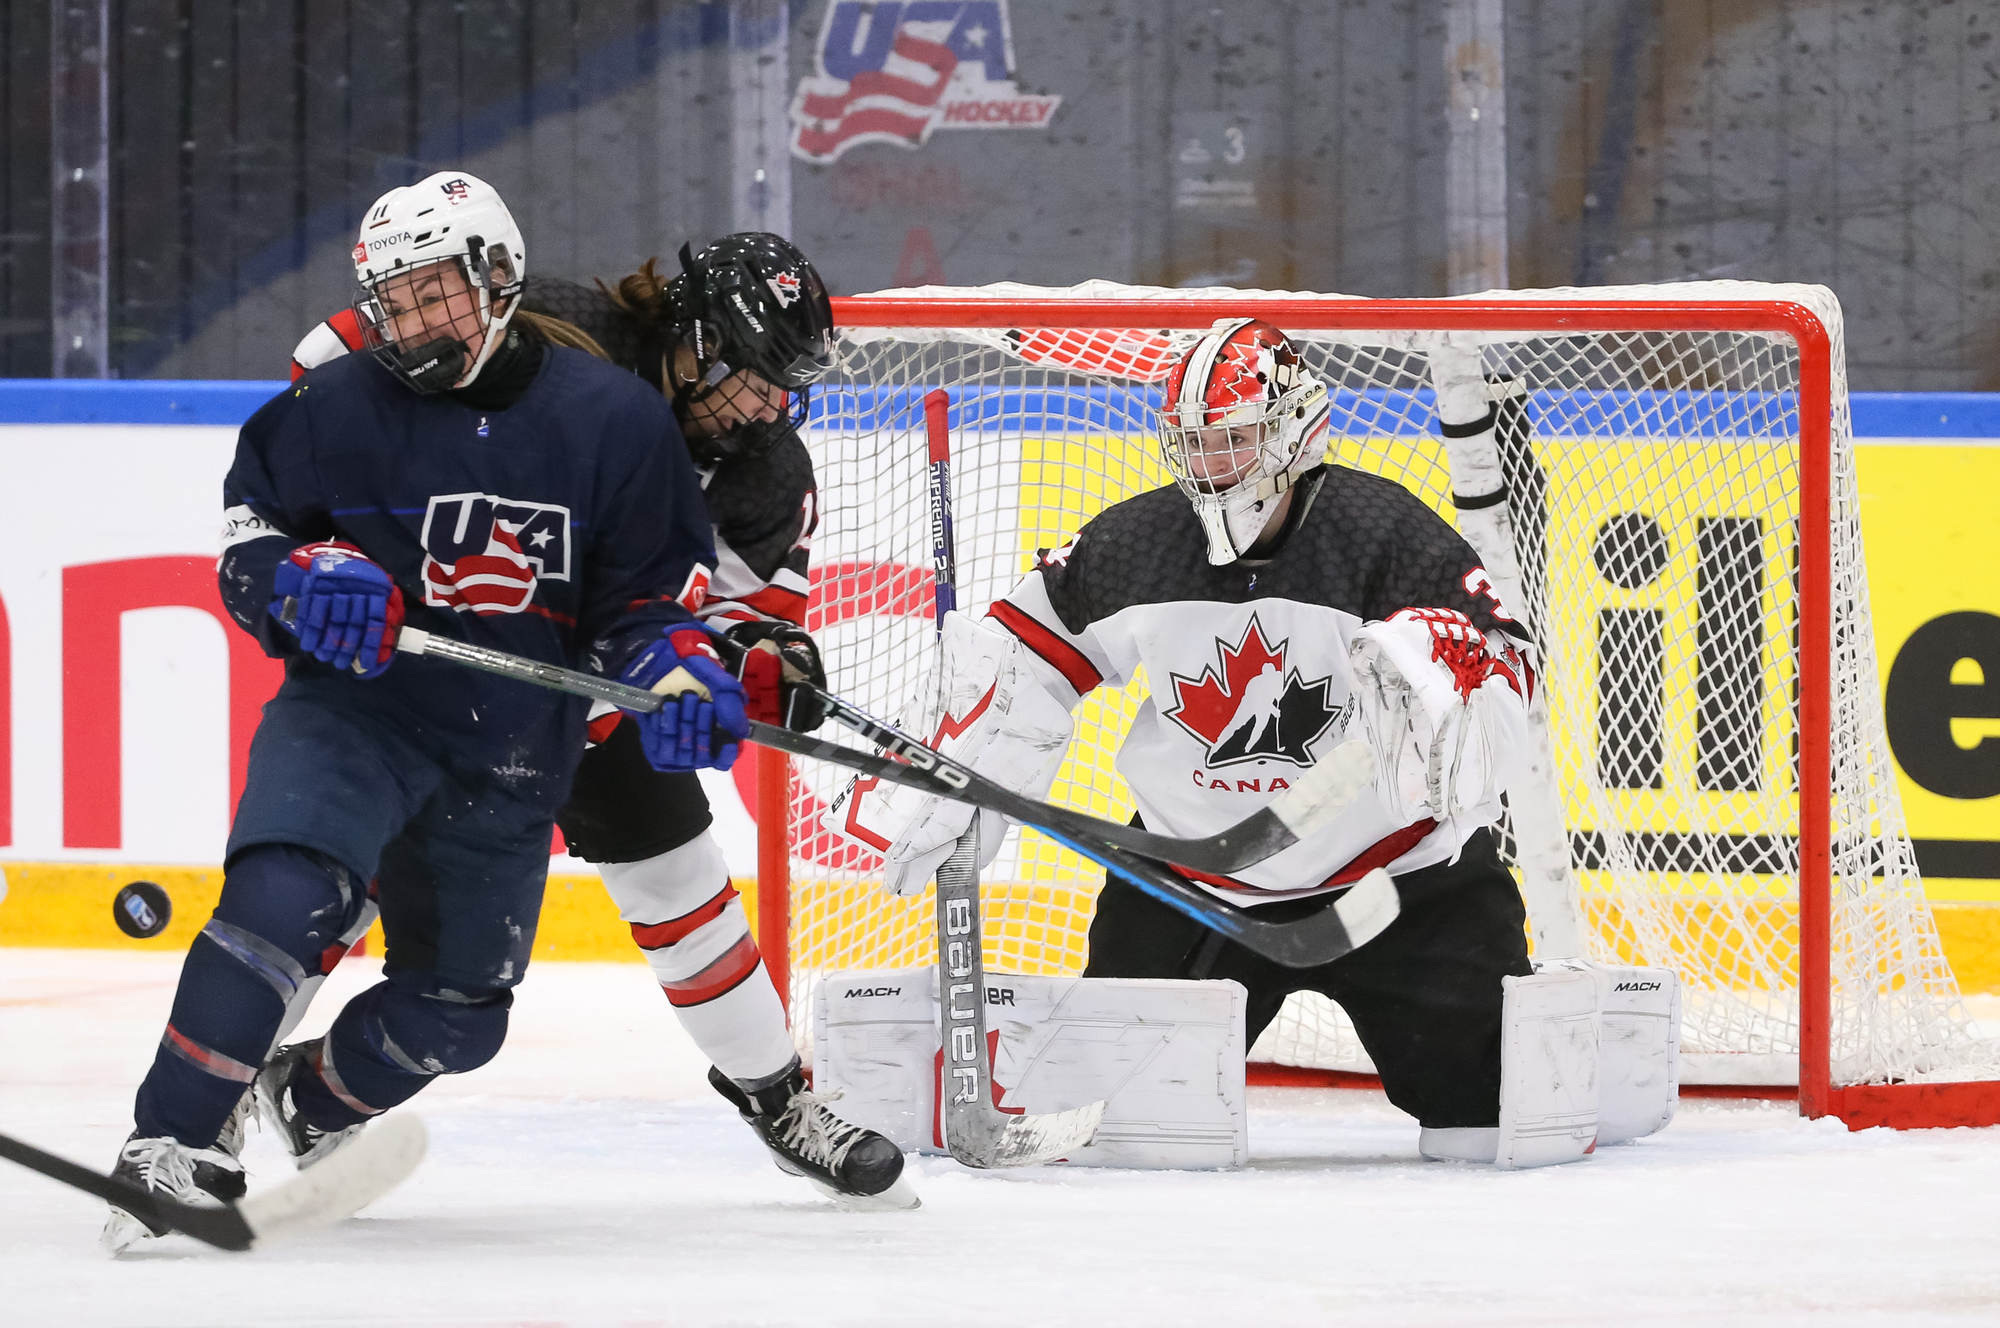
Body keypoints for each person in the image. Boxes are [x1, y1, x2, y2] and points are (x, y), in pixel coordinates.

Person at [102, 170, 793, 1252]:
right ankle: (170, 1143)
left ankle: (309, 1099)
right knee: (289, 892)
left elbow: (646, 600)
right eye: (396, 299)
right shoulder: (332, 406)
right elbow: (250, 545)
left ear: (501, 278)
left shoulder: (614, 420)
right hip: (360, 713)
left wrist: (675, 667)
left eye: (438, 294)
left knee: (460, 1012)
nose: (415, 321)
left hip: (516, 745)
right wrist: (300, 577)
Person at [279, 233, 915, 1210]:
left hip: (599, 701)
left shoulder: (758, 470)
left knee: (684, 887)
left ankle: (780, 1102)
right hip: (451, 682)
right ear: (697, 342)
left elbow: (742, 613)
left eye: (784, 385)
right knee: (351, 877)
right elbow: (334, 348)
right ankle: (227, 1077)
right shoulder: (558, 325)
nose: (766, 405)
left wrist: (765, 662)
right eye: (751, 377)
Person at [862, 318, 1543, 1162]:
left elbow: (1509, 673)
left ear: (1294, 431)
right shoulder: (1137, 543)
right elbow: (1021, 666)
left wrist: (1457, 674)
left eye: (1236, 440)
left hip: (1396, 883)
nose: (1212, 466)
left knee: (1494, 1130)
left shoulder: (1385, 535)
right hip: (1190, 886)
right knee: (1129, 1139)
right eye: (1194, 444)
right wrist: (970, 768)